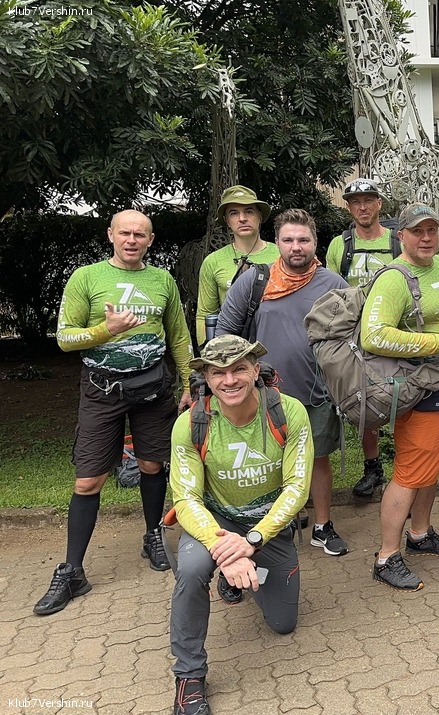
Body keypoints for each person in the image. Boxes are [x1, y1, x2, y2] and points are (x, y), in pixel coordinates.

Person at [34, 210, 192, 616]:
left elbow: (178, 335)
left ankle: (153, 536)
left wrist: (190, 384)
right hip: (102, 390)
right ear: (111, 235)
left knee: (152, 464)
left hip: (153, 388)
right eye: (125, 233)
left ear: (150, 240)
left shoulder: (162, 281)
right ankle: (73, 571)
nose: (132, 240)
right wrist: (108, 330)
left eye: (140, 234)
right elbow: (65, 338)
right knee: (88, 479)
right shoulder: (86, 277)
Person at [168, 335, 311, 715]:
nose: (229, 380)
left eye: (239, 369)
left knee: (283, 623)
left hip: (265, 525)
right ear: (206, 378)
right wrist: (225, 549)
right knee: (192, 569)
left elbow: (297, 487)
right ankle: (189, 677)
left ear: (256, 370)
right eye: (219, 373)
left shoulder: (288, 412)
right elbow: (186, 499)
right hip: (215, 523)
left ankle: (240, 575)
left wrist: (253, 540)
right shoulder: (190, 424)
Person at [216, 209, 349, 559]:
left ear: (315, 243)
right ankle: (277, 524)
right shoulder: (255, 281)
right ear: (277, 243)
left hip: (318, 391)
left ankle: (322, 526)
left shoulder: (334, 284)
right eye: (288, 240)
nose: (296, 247)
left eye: (303, 239)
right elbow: (225, 333)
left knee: (318, 458)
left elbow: (353, 336)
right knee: (271, 460)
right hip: (264, 393)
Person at [362, 203, 439, 591]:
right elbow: (373, 335)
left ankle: (420, 534)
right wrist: (433, 342)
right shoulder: (394, 279)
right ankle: (386, 557)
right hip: (419, 391)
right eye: (417, 231)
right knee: (409, 472)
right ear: (401, 235)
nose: (426, 238)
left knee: (429, 467)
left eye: (432, 230)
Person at [325, 179, 396, 498]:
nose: (363, 207)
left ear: (379, 203)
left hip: (394, 330)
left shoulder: (396, 241)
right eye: (355, 201)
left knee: (404, 397)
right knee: (363, 400)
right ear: (348, 207)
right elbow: (330, 291)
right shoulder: (339, 246)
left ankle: (405, 469)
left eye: (368, 200)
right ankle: (373, 467)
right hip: (354, 336)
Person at [195, 185, 280, 344]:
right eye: (234, 213)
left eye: (249, 211)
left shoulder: (281, 255)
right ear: (227, 221)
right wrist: (207, 351)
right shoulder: (213, 261)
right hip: (231, 346)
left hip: (275, 341)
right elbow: (205, 315)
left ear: (260, 216)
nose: (242, 218)